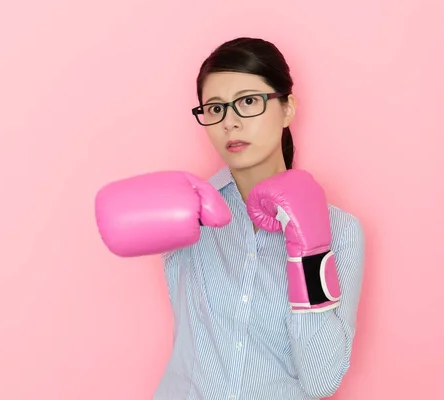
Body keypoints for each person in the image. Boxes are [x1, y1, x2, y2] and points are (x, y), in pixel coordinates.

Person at [95, 37, 365, 400]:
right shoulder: (185, 209)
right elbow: (116, 221)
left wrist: (309, 250)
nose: (230, 122)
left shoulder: (341, 231)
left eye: (248, 101)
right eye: (215, 108)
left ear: (287, 108)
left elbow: (321, 381)